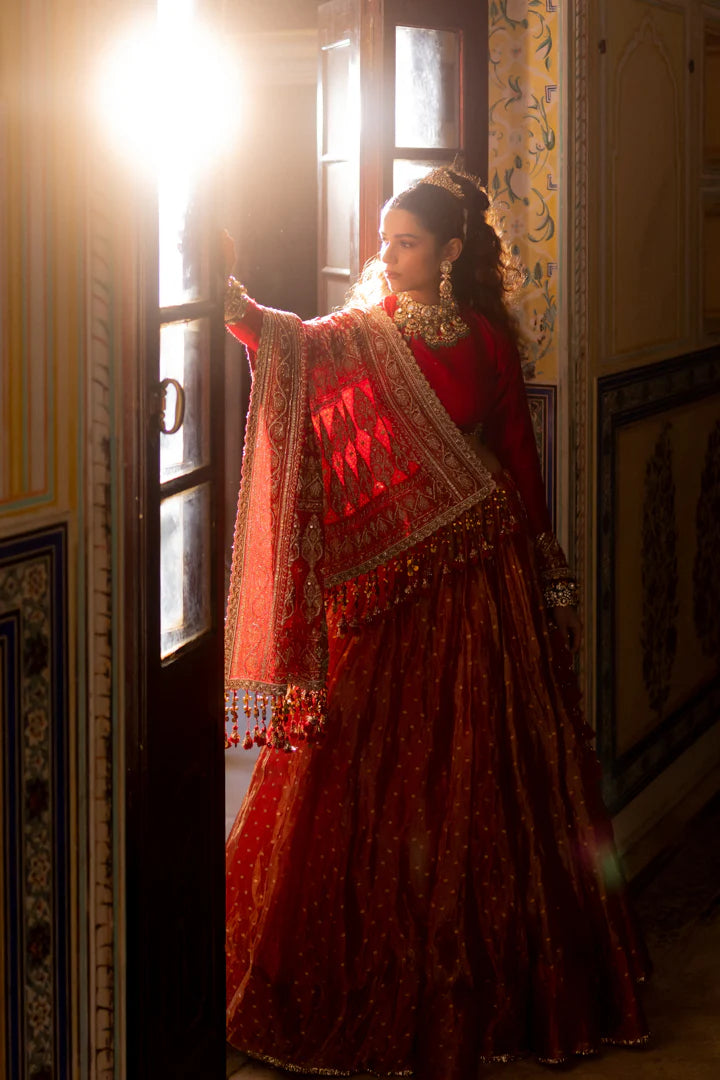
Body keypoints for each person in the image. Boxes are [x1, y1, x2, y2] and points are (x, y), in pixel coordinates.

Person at [222, 167, 649, 1079]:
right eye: (385, 237)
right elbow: (288, 349)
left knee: (496, 765)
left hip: (487, 580)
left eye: (406, 241)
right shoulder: (362, 334)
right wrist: (232, 304)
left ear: (450, 252)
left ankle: (504, 984)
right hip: (399, 585)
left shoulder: (488, 342)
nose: (387, 252)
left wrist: (545, 574)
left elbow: (519, 461)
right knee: (364, 754)